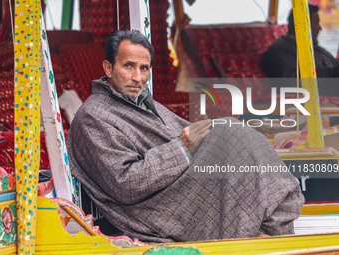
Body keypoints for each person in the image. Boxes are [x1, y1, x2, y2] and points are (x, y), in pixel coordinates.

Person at [66, 29, 304, 243]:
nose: (138, 77)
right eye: (128, 66)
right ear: (108, 68)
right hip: (156, 208)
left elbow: (183, 133)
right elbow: (126, 183)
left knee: (237, 138)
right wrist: (181, 147)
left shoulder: (143, 101)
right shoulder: (92, 117)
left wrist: (207, 139)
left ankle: (268, 232)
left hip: (178, 183)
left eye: (144, 68)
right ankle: (266, 236)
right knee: (234, 140)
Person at [260, 4, 339, 94]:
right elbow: (294, 81)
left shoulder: (310, 45)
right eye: (316, 23)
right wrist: (332, 71)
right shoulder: (284, 48)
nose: (319, 28)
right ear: (304, 26)